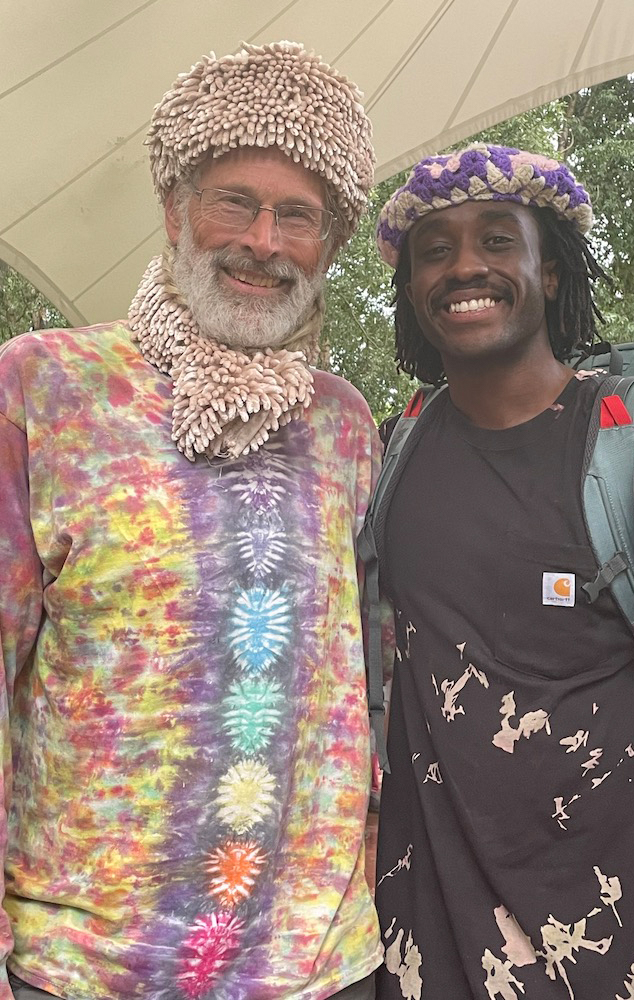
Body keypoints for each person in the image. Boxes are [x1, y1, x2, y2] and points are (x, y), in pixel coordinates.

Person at [0, 42, 381, 999]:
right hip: (84, 969)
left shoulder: (343, 424)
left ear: (329, 242)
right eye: (233, 201)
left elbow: (363, 677)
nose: (263, 240)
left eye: (298, 215)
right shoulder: (43, 387)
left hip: (319, 967)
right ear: (173, 209)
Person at [368, 145, 634, 1000]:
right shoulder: (397, 454)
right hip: (436, 950)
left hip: (622, 952)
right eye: (435, 249)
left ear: (549, 275)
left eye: (499, 240)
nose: (465, 265)